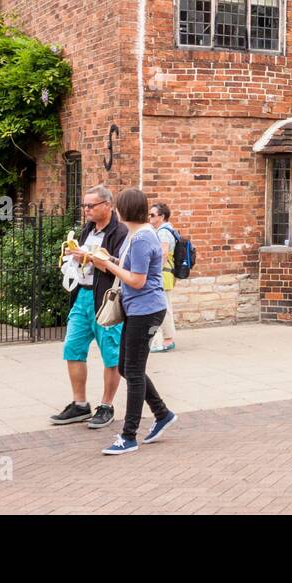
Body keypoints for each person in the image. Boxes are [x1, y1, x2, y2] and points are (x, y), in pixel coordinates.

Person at [89, 187, 176, 455]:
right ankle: (162, 414)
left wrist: (111, 266)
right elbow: (128, 266)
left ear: (123, 209)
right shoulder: (134, 234)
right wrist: (101, 258)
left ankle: (129, 436)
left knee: (134, 372)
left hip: (146, 310)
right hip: (136, 309)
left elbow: (137, 280)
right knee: (127, 368)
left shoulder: (141, 238)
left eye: (117, 206)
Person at [51, 185, 128, 430]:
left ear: (108, 205)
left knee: (111, 353)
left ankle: (106, 405)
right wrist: (76, 257)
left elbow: (122, 265)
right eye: (84, 205)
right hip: (82, 295)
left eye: (91, 206)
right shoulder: (88, 230)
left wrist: (94, 258)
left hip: (104, 297)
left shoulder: (120, 232)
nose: (86, 210)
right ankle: (80, 403)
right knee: (72, 347)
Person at [148, 202, 179, 352]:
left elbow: (164, 253)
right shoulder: (164, 230)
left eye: (153, 215)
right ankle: (164, 338)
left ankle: (168, 340)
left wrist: (154, 272)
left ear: (162, 217)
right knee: (163, 306)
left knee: (165, 307)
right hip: (165, 272)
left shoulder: (163, 232)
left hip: (163, 273)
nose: (150, 217)